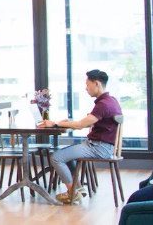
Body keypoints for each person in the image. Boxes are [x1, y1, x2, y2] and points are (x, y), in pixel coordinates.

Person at [38, 69, 122, 204]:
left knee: (56, 157)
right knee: (66, 154)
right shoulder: (111, 101)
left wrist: (55, 123)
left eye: (88, 85)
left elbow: (81, 125)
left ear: (96, 84)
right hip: (102, 146)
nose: (86, 88)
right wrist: (65, 124)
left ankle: (72, 193)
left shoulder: (103, 104)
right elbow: (86, 123)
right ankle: (77, 188)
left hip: (98, 147)